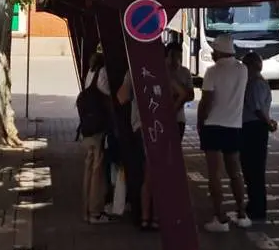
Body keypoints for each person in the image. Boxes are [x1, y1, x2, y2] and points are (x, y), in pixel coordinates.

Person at [196, 35, 251, 232]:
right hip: (234, 126)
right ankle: (241, 213)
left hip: (213, 125)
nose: (212, 54)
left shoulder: (212, 72)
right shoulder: (242, 70)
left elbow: (206, 101)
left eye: (213, 51)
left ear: (218, 51)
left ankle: (220, 217)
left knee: (214, 174)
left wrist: (200, 122)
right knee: (235, 172)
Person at [116, 68, 158, 232]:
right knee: (155, 174)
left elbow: (121, 97)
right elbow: (183, 93)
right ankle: (153, 217)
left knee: (147, 174)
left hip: (141, 126)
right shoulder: (161, 70)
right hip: (160, 126)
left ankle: (146, 218)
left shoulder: (133, 71)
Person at [77, 52, 114, 224]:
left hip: (86, 128)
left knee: (88, 168)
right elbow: (109, 95)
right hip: (98, 128)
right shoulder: (103, 73)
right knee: (97, 171)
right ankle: (95, 212)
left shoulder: (90, 74)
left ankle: (85, 210)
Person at [240, 52, 278, 222]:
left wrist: (268, 122)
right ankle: (254, 204)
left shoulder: (255, 84)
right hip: (253, 127)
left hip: (254, 128)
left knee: (254, 169)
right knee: (251, 169)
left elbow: (257, 108)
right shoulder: (255, 82)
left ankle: (257, 207)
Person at [165, 41, 194, 139]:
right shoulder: (161, 71)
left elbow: (191, 95)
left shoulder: (185, 72)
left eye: (179, 56)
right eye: (173, 56)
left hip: (179, 119)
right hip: (163, 118)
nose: (177, 59)